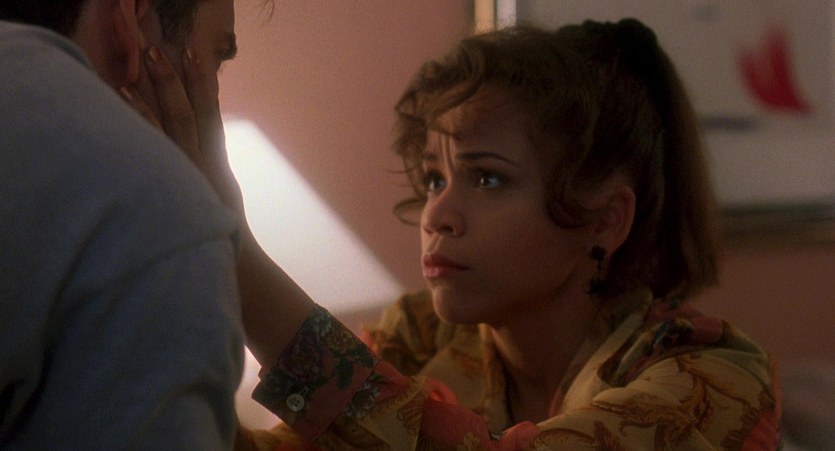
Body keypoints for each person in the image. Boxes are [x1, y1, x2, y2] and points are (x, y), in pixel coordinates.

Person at [149, 18, 783, 450]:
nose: (438, 214)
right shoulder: (419, 335)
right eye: (433, 179)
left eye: (487, 179)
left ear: (606, 219)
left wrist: (236, 254)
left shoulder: (714, 375)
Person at [0, 0, 246, 448]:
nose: (213, 93)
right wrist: (200, 220)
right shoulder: (149, 211)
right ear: (130, 17)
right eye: (216, 57)